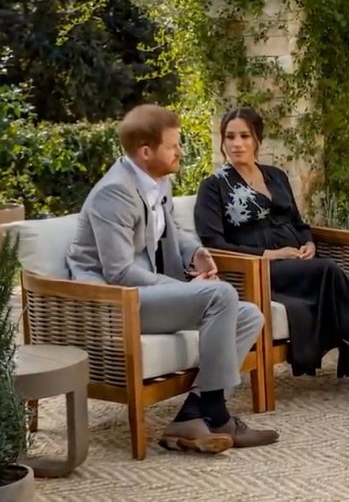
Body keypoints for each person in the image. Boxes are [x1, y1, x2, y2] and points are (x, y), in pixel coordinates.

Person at [66, 104, 279, 453]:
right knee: (221, 295)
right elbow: (119, 272)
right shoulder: (114, 193)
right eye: (173, 145)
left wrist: (196, 253)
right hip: (113, 303)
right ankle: (217, 416)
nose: (180, 151)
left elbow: (173, 232)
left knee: (250, 315)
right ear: (145, 152)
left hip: (141, 294)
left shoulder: (156, 180)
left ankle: (191, 415)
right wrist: (185, 288)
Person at [193, 107, 349, 406]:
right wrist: (270, 254)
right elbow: (214, 244)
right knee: (328, 271)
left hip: (299, 264)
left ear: (257, 139)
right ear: (222, 141)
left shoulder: (276, 176)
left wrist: (308, 243)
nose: (237, 144)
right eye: (230, 137)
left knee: (344, 286)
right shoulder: (213, 186)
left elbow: (298, 222)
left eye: (244, 136)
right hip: (260, 271)